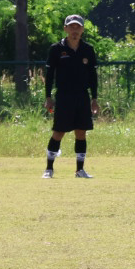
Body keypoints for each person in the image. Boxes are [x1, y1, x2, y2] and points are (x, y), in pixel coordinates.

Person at [43, 14, 99, 179]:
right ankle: (49, 169)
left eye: (78, 27)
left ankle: (79, 170)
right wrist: (48, 97)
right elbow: (49, 75)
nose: (75, 30)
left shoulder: (88, 49)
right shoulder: (56, 49)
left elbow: (93, 76)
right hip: (64, 96)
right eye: (72, 27)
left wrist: (94, 99)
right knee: (58, 132)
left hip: (82, 96)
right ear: (65, 28)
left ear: (82, 29)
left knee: (81, 132)